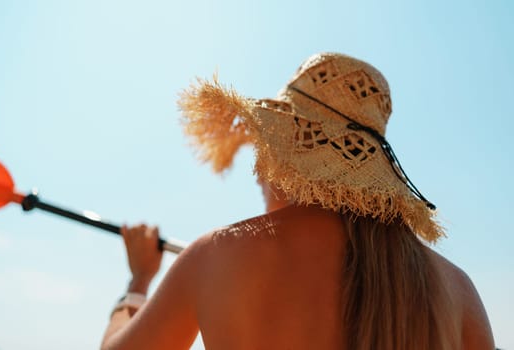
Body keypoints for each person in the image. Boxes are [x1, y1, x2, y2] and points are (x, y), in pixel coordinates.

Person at [100, 53, 495, 350]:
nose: (256, 172)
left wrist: (138, 281)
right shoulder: (458, 291)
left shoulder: (216, 257)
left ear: (286, 155)